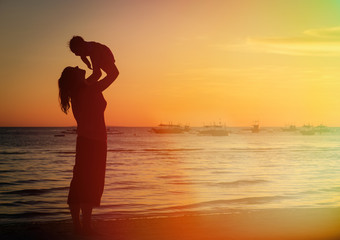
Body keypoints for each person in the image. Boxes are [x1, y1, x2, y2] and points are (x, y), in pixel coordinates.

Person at [58, 60, 119, 235]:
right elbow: (113, 74)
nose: (78, 67)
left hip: (87, 141)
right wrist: (98, 57)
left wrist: (95, 59)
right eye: (75, 69)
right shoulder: (88, 89)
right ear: (74, 79)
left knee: (80, 182)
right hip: (94, 143)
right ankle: (85, 226)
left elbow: (98, 74)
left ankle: (80, 226)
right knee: (89, 183)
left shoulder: (81, 90)